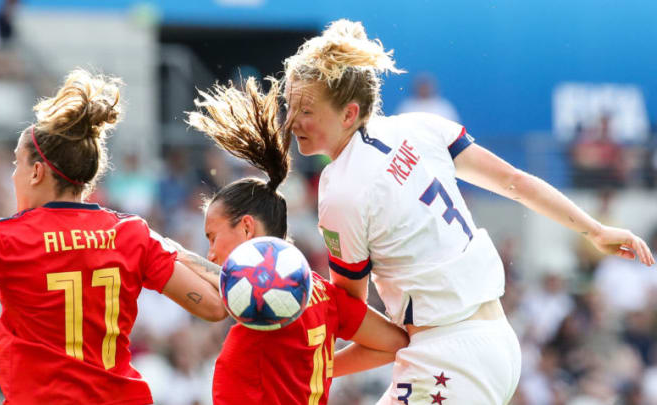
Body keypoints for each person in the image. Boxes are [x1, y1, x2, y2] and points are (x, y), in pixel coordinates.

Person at [279, 19, 655, 404]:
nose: (292, 121)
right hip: (496, 344)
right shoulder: (420, 127)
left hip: (446, 359)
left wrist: (296, 361)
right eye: (290, 107)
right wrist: (594, 230)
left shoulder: (340, 187)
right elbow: (515, 182)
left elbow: (348, 314)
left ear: (348, 113)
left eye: (306, 110)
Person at [0, 69, 227, 404]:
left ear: (36, 172)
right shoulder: (133, 234)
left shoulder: (6, 239)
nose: (13, 175)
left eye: (16, 165)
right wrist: (170, 248)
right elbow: (214, 306)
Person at [176, 77, 409, 404]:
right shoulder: (322, 293)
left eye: (213, 238)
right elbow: (393, 343)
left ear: (246, 228)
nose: (211, 254)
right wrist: (315, 367)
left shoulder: (243, 347)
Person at [395, 73, 460, 122]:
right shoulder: (407, 107)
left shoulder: (444, 108)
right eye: (421, 87)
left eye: (426, 87)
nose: (424, 89)